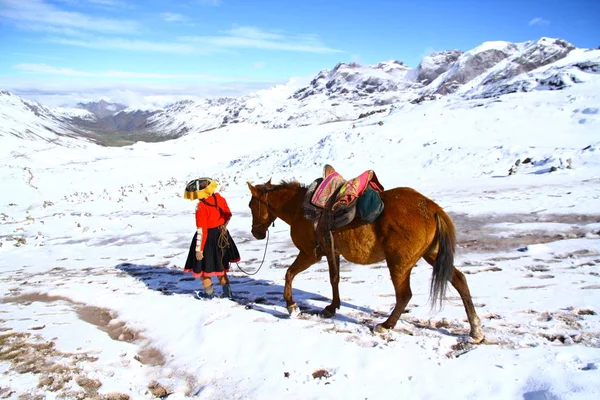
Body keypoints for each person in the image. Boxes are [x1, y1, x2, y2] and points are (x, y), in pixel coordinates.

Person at [183, 178, 240, 298]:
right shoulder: (220, 198)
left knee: (203, 269)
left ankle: (209, 295)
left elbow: (201, 230)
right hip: (222, 236)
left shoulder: (201, 206)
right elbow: (228, 214)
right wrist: (223, 225)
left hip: (208, 239)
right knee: (221, 266)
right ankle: (227, 293)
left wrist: (199, 249)